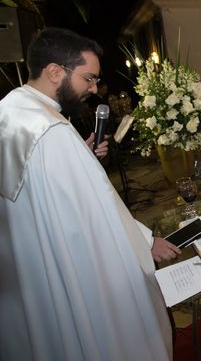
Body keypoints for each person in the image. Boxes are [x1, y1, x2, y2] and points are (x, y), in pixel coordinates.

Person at [0, 27, 179, 361]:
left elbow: (41, 186)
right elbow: (96, 212)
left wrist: (79, 156)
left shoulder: (12, 109)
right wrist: (144, 241)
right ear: (55, 71)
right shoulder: (52, 130)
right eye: (89, 78)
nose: (94, 89)